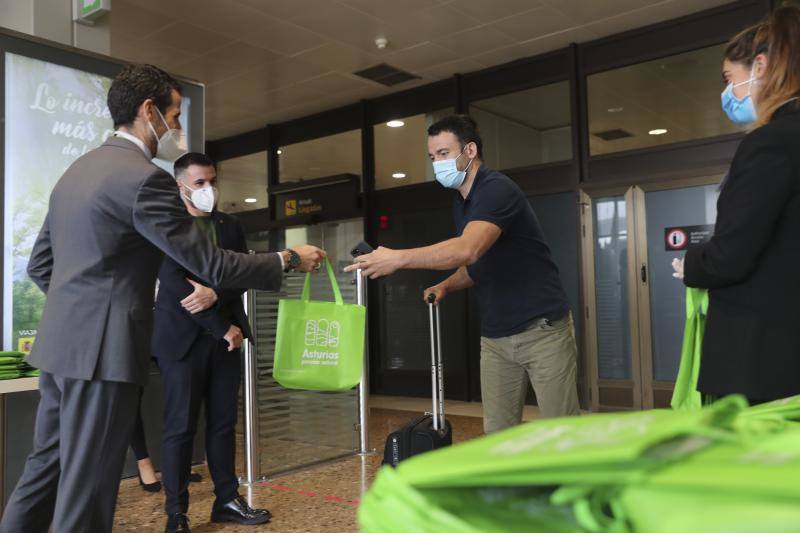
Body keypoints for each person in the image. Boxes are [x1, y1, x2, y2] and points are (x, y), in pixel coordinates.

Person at [0, 63, 325, 533]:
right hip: (102, 356)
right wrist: (286, 259)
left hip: (60, 350)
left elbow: (40, 265)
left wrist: (83, 311)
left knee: (43, 473)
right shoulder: (143, 179)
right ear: (148, 110)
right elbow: (211, 265)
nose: (177, 127)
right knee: (87, 491)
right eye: (174, 115)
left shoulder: (77, 171)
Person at [345, 114, 579, 434]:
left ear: (469, 151)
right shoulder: (463, 201)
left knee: (562, 432)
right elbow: (476, 265)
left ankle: (573, 485)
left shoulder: (496, 189)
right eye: (432, 157)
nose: (436, 163)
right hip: (496, 337)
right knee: (498, 434)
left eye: (443, 153)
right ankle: (506, 487)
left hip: (542, 330)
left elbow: (467, 250)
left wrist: (398, 258)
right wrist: (445, 285)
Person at [673, 3, 800, 404]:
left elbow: (733, 254)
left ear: (761, 66)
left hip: (764, 361)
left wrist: (692, 264)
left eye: (731, 80)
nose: (728, 93)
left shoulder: (772, 144)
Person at [152, 153, 271, 532]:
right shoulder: (166, 225)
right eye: (199, 183)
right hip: (184, 341)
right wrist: (219, 326)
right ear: (180, 185)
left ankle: (227, 500)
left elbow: (239, 274)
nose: (208, 190)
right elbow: (175, 285)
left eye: (212, 181)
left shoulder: (230, 225)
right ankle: (177, 513)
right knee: (180, 428)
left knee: (222, 424)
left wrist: (217, 297)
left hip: (226, 341)